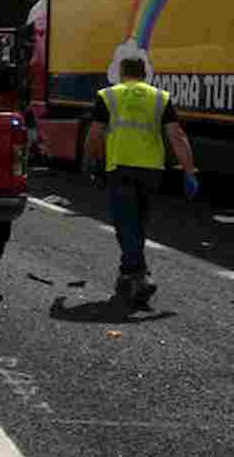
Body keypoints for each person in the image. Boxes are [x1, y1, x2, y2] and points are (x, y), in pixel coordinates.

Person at [85, 57, 199, 309]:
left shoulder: (108, 95)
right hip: (151, 171)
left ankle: (141, 276)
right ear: (145, 73)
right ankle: (127, 274)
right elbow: (176, 136)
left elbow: (96, 132)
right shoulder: (160, 97)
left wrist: (89, 159)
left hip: (120, 167)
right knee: (137, 224)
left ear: (122, 72)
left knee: (126, 224)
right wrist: (189, 171)